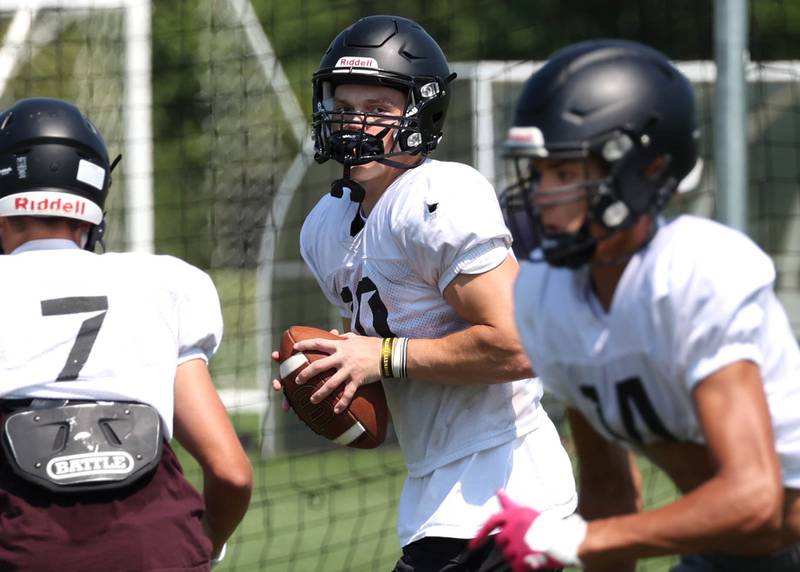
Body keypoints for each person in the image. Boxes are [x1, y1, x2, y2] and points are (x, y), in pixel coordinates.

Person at [472, 39, 800, 571]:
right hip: (722, 553)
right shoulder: (546, 295)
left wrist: (574, 540)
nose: (542, 197)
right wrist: (589, 540)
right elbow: (609, 496)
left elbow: (757, 500)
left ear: (642, 170)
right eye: (538, 175)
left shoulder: (694, 271)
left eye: (566, 174)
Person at [270, 14, 577, 572]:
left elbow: (520, 344)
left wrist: (379, 357)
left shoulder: (439, 197)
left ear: (419, 115)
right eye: (343, 107)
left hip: (502, 489)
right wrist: (330, 373)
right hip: (440, 494)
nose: (353, 125)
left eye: (377, 111)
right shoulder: (325, 226)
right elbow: (387, 366)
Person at [0, 97, 253, 571]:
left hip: (26, 544)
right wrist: (205, 545)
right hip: (160, 543)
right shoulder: (165, 284)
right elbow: (232, 472)